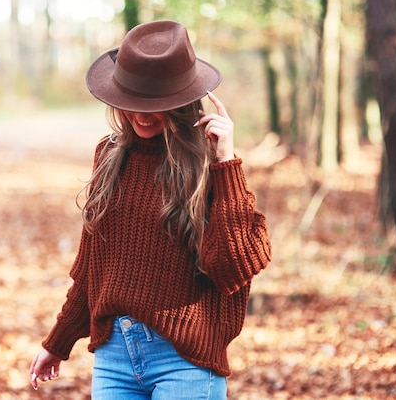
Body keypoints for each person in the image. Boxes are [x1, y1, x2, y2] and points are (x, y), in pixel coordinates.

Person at [29, 20, 271, 399]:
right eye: (131, 104)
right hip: (114, 357)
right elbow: (94, 267)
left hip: (185, 360)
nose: (140, 116)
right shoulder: (109, 156)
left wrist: (226, 162)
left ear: (180, 101)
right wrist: (57, 342)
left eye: (153, 105)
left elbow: (233, 267)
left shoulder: (210, 163)